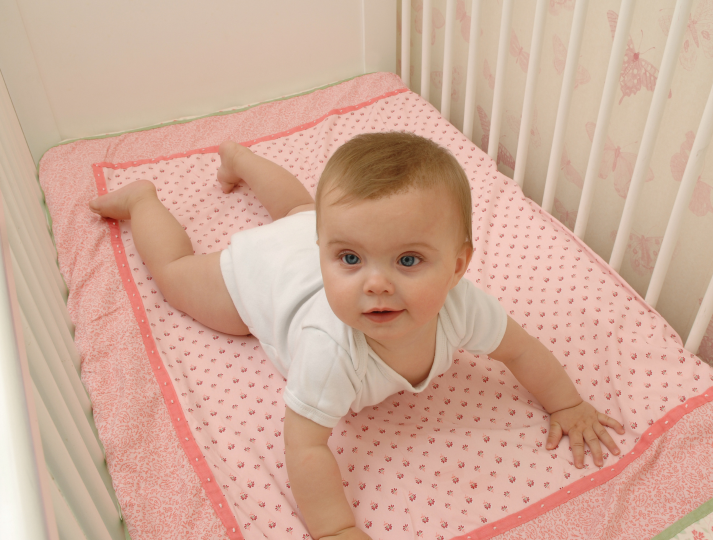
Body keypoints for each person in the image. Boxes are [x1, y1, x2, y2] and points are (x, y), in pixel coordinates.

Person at [89, 132, 624, 540]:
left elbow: (521, 350)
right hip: (266, 278)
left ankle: (241, 160)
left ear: (459, 266)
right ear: (326, 249)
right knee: (178, 275)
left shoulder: (464, 308)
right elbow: (305, 445)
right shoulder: (329, 349)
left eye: (408, 260)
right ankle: (143, 202)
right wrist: (336, 530)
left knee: (301, 211)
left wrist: (567, 403)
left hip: (309, 234)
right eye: (349, 258)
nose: (375, 284)